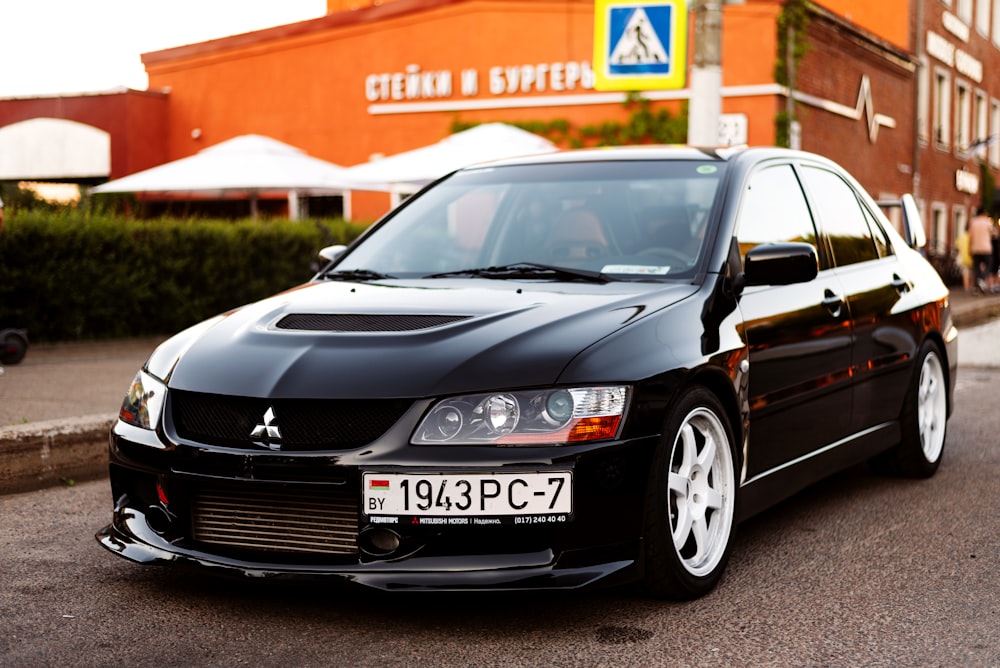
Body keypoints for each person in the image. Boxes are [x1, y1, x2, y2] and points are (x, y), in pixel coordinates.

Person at [969, 207, 993, 293]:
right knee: (988, 265)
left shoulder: (973, 222)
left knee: (976, 267)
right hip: (986, 248)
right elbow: (993, 233)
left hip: (975, 248)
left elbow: (970, 237)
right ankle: (982, 279)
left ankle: (978, 282)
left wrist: (970, 248)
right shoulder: (987, 222)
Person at [955, 222, 972, 292]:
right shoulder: (971, 237)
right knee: (971, 273)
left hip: (963, 257)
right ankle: (971, 286)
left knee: (965, 273)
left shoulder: (961, 236)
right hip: (971, 257)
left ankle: (966, 287)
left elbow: (957, 246)